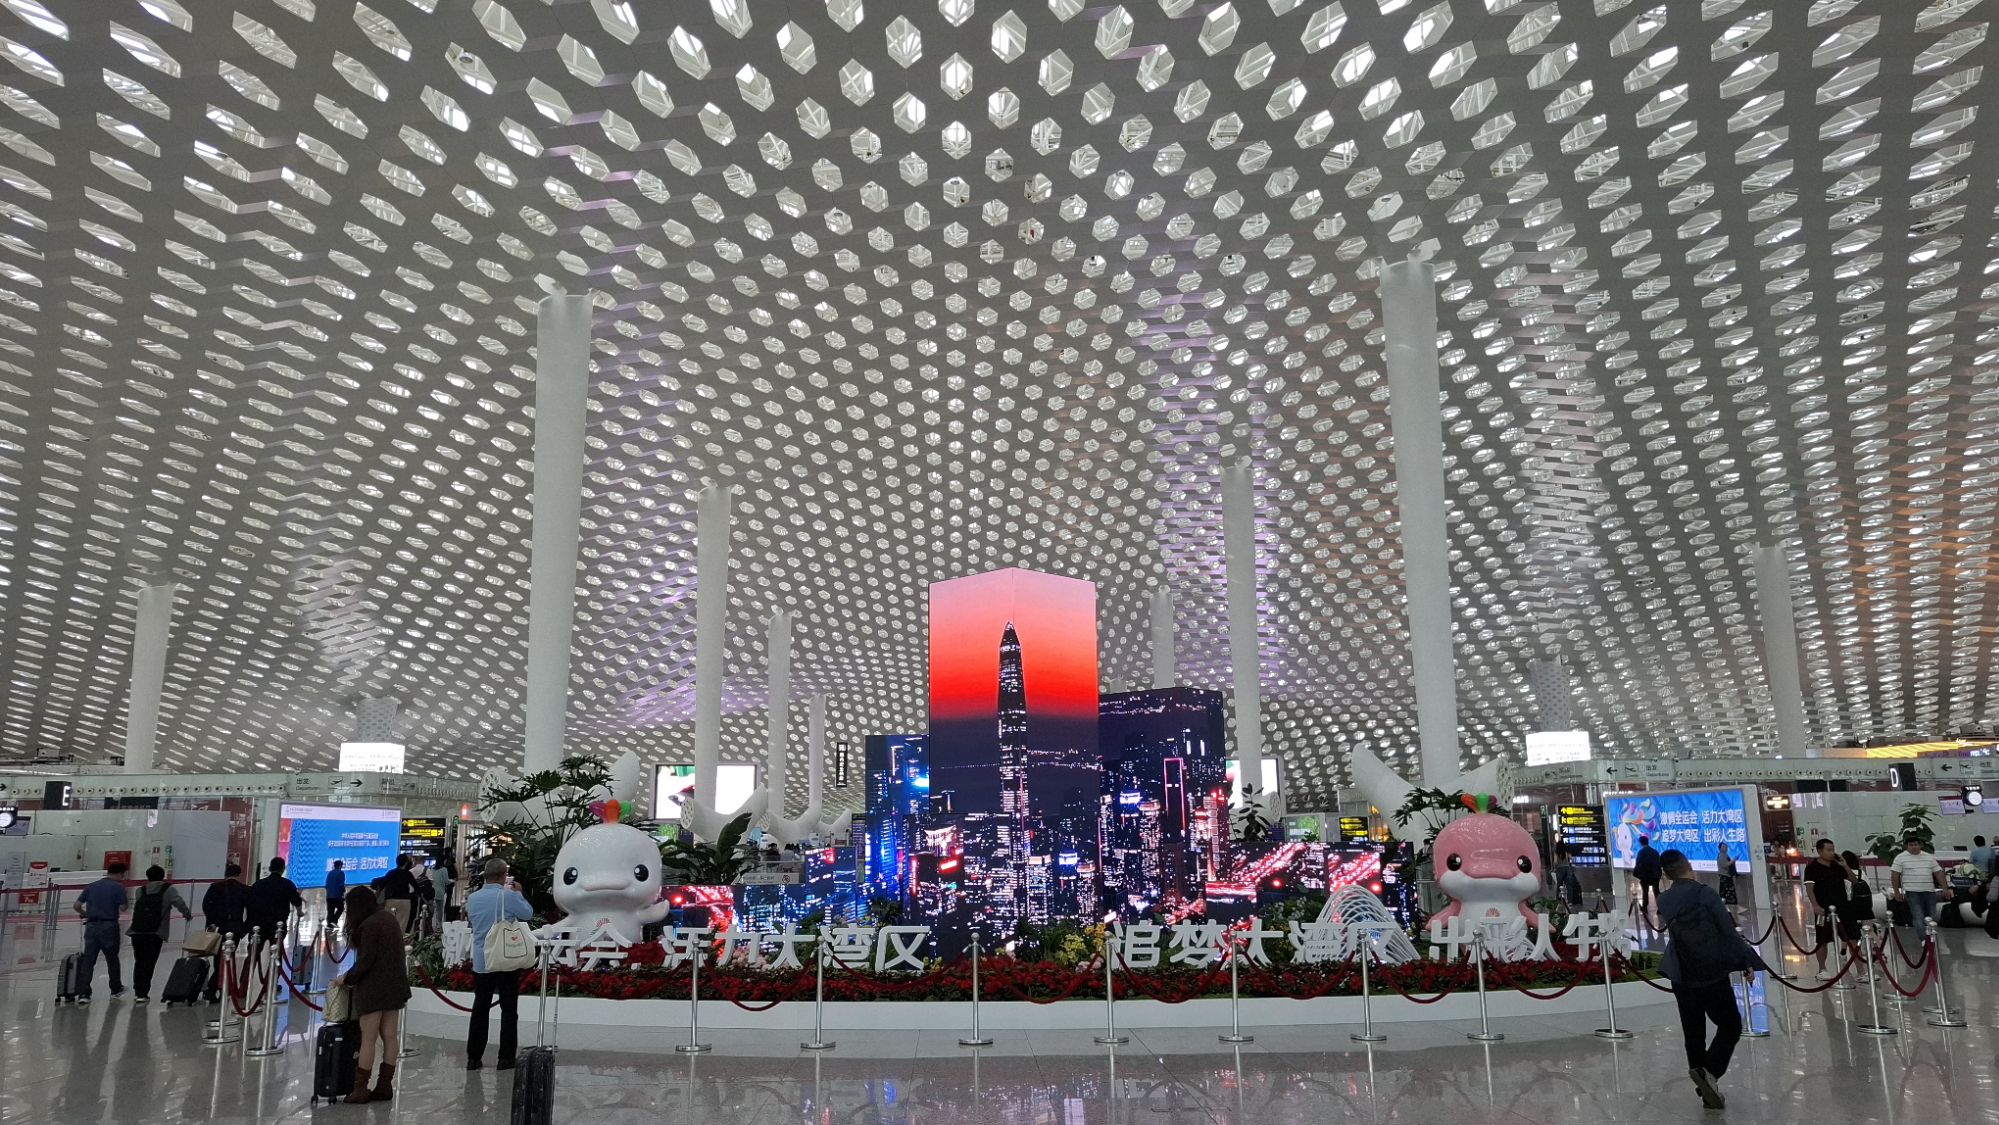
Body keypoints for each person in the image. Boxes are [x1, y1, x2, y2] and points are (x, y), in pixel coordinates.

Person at [1658, 849, 1764, 1111]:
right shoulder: (1705, 893)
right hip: (1710, 971)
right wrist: (1746, 961)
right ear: (1688, 865)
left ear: (1666, 874)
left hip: (1681, 972)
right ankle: (1710, 1073)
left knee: (1693, 1031)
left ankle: (1705, 1087)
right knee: (1730, 1024)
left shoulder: (1664, 899)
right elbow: (1727, 932)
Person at [331, 887, 411, 1104]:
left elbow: (366, 960)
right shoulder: (388, 918)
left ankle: (360, 1089)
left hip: (374, 989)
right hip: (395, 986)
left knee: (368, 1038)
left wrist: (347, 978)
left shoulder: (368, 925)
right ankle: (385, 1085)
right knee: (390, 1036)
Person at [464, 857, 535, 1071]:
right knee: (509, 1009)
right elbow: (528, 914)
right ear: (504, 876)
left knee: (480, 1008)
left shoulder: (473, 898)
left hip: (482, 961)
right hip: (505, 960)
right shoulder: (508, 896)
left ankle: (474, 1057)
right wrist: (518, 893)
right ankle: (505, 1058)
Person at [128, 864, 192, 1004]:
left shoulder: (140, 890)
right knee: (149, 962)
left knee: (139, 961)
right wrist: (187, 914)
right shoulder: (168, 890)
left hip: (137, 931)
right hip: (155, 932)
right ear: (162, 876)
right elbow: (179, 902)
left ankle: (138, 991)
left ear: (147, 876)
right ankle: (143, 992)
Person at [71, 859, 131, 1004]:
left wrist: (85, 914)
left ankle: (84, 994)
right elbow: (123, 908)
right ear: (121, 873)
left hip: (91, 926)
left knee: (89, 960)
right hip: (109, 926)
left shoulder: (92, 886)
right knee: (112, 959)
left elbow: (77, 905)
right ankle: (115, 988)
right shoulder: (118, 887)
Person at [1802, 839, 1856, 979]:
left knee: (1851, 937)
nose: (1832, 853)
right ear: (1820, 851)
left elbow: (1854, 880)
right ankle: (1822, 969)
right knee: (1822, 939)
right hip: (1823, 909)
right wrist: (1815, 905)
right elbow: (1809, 888)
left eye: (1833, 850)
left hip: (1842, 906)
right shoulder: (1812, 868)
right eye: (1828, 850)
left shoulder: (1837, 866)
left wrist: (1845, 866)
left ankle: (1861, 970)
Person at [200, 863, 249, 1002]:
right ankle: (218, 987)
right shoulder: (244, 889)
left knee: (218, 960)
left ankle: (215, 988)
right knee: (228, 958)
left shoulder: (215, 887)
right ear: (239, 874)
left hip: (218, 929)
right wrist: (244, 928)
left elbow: (206, 905)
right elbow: (250, 909)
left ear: (226, 874)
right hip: (235, 929)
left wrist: (211, 923)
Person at [1889, 834, 1950, 945]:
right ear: (1907, 846)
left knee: (1931, 916)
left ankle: (1930, 936)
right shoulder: (1900, 858)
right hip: (1912, 892)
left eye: (1916, 844)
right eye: (1911, 845)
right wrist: (1897, 892)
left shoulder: (1928, 857)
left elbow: (1938, 873)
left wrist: (1945, 888)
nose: (1914, 847)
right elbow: (1895, 875)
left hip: (1929, 891)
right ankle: (1924, 939)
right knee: (1918, 915)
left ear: (1920, 845)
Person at [247, 857, 304, 944]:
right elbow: (297, 900)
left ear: (270, 868)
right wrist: (299, 912)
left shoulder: (258, 884)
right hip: (278, 923)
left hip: (259, 922)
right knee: (276, 948)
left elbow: (250, 902)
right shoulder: (287, 884)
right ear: (283, 869)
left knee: (255, 949)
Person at [378, 854, 420, 933]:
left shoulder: (391, 873)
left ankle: (389, 937)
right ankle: (399, 939)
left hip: (391, 900)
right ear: (406, 863)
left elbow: (382, 885)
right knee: (402, 923)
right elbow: (416, 887)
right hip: (404, 901)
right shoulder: (408, 874)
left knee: (389, 922)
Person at [1633, 835, 1663, 928]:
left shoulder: (1641, 852)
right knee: (1656, 891)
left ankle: (1645, 908)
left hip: (1645, 875)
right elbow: (1659, 863)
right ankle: (1660, 908)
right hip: (1655, 875)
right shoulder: (1655, 851)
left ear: (1641, 843)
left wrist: (1637, 873)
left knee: (1645, 892)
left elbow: (1638, 863)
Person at [427, 855, 451, 935]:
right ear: (443, 861)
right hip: (440, 892)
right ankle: (439, 926)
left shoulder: (431, 868)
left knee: (432, 910)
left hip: (432, 892)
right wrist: (452, 881)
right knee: (439, 910)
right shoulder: (444, 869)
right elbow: (446, 881)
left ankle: (431, 926)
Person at [1716, 843, 1739, 914]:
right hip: (1725, 877)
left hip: (1727, 876)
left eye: (1726, 846)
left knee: (1728, 894)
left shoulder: (1725, 855)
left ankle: (1731, 910)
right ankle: (1728, 910)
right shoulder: (1722, 855)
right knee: (1727, 894)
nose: (1725, 848)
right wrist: (1733, 860)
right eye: (1723, 847)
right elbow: (1725, 865)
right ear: (1720, 848)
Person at [325, 859, 348, 929]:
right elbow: (341, 885)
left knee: (330, 911)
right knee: (341, 908)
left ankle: (329, 925)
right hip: (337, 896)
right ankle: (334, 920)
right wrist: (343, 891)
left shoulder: (330, 873)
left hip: (329, 896)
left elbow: (326, 885)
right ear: (340, 865)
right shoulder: (341, 873)